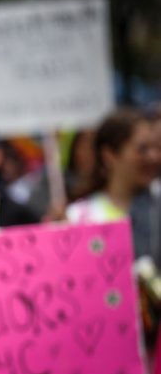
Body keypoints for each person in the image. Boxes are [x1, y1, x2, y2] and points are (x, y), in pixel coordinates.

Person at [66, 108, 160, 263]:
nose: (154, 157)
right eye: (142, 149)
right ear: (109, 155)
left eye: (156, 148)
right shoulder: (80, 216)